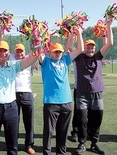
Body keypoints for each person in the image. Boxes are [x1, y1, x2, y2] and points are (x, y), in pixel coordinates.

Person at [39, 27, 83, 155]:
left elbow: (80, 49)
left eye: (59, 52)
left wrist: (79, 33)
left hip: (67, 102)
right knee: (48, 132)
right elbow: (37, 51)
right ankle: (47, 153)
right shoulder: (46, 61)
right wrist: (39, 37)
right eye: (55, 52)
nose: (57, 54)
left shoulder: (65, 60)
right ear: (50, 52)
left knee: (63, 132)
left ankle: (61, 153)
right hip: (51, 103)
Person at [74, 16, 114, 155]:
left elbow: (109, 44)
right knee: (82, 120)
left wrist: (108, 27)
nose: (90, 49)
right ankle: (82, 144)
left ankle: (94, 143)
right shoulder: (79, 57)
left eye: (92, 47)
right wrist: (77, 32)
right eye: (88, 47)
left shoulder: (98, 56)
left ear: (95, 48)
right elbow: (69, 48)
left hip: (97, 93)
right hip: (82, 94)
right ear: (84, 48)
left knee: (97, 119)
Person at [9, 43, 35, 154]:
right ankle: (14, 144)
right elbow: (3, 43)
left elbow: (36, 51)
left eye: (21, 51)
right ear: (14, 52)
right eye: (17, 51)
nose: (19, 53)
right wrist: (1, 32)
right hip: (13, 95)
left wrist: (36, 36)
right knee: (14, 121)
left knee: (29, 122)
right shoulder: (11, 59)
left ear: (25, 51)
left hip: (27, 94)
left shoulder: (29, 59)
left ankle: (29, 145)